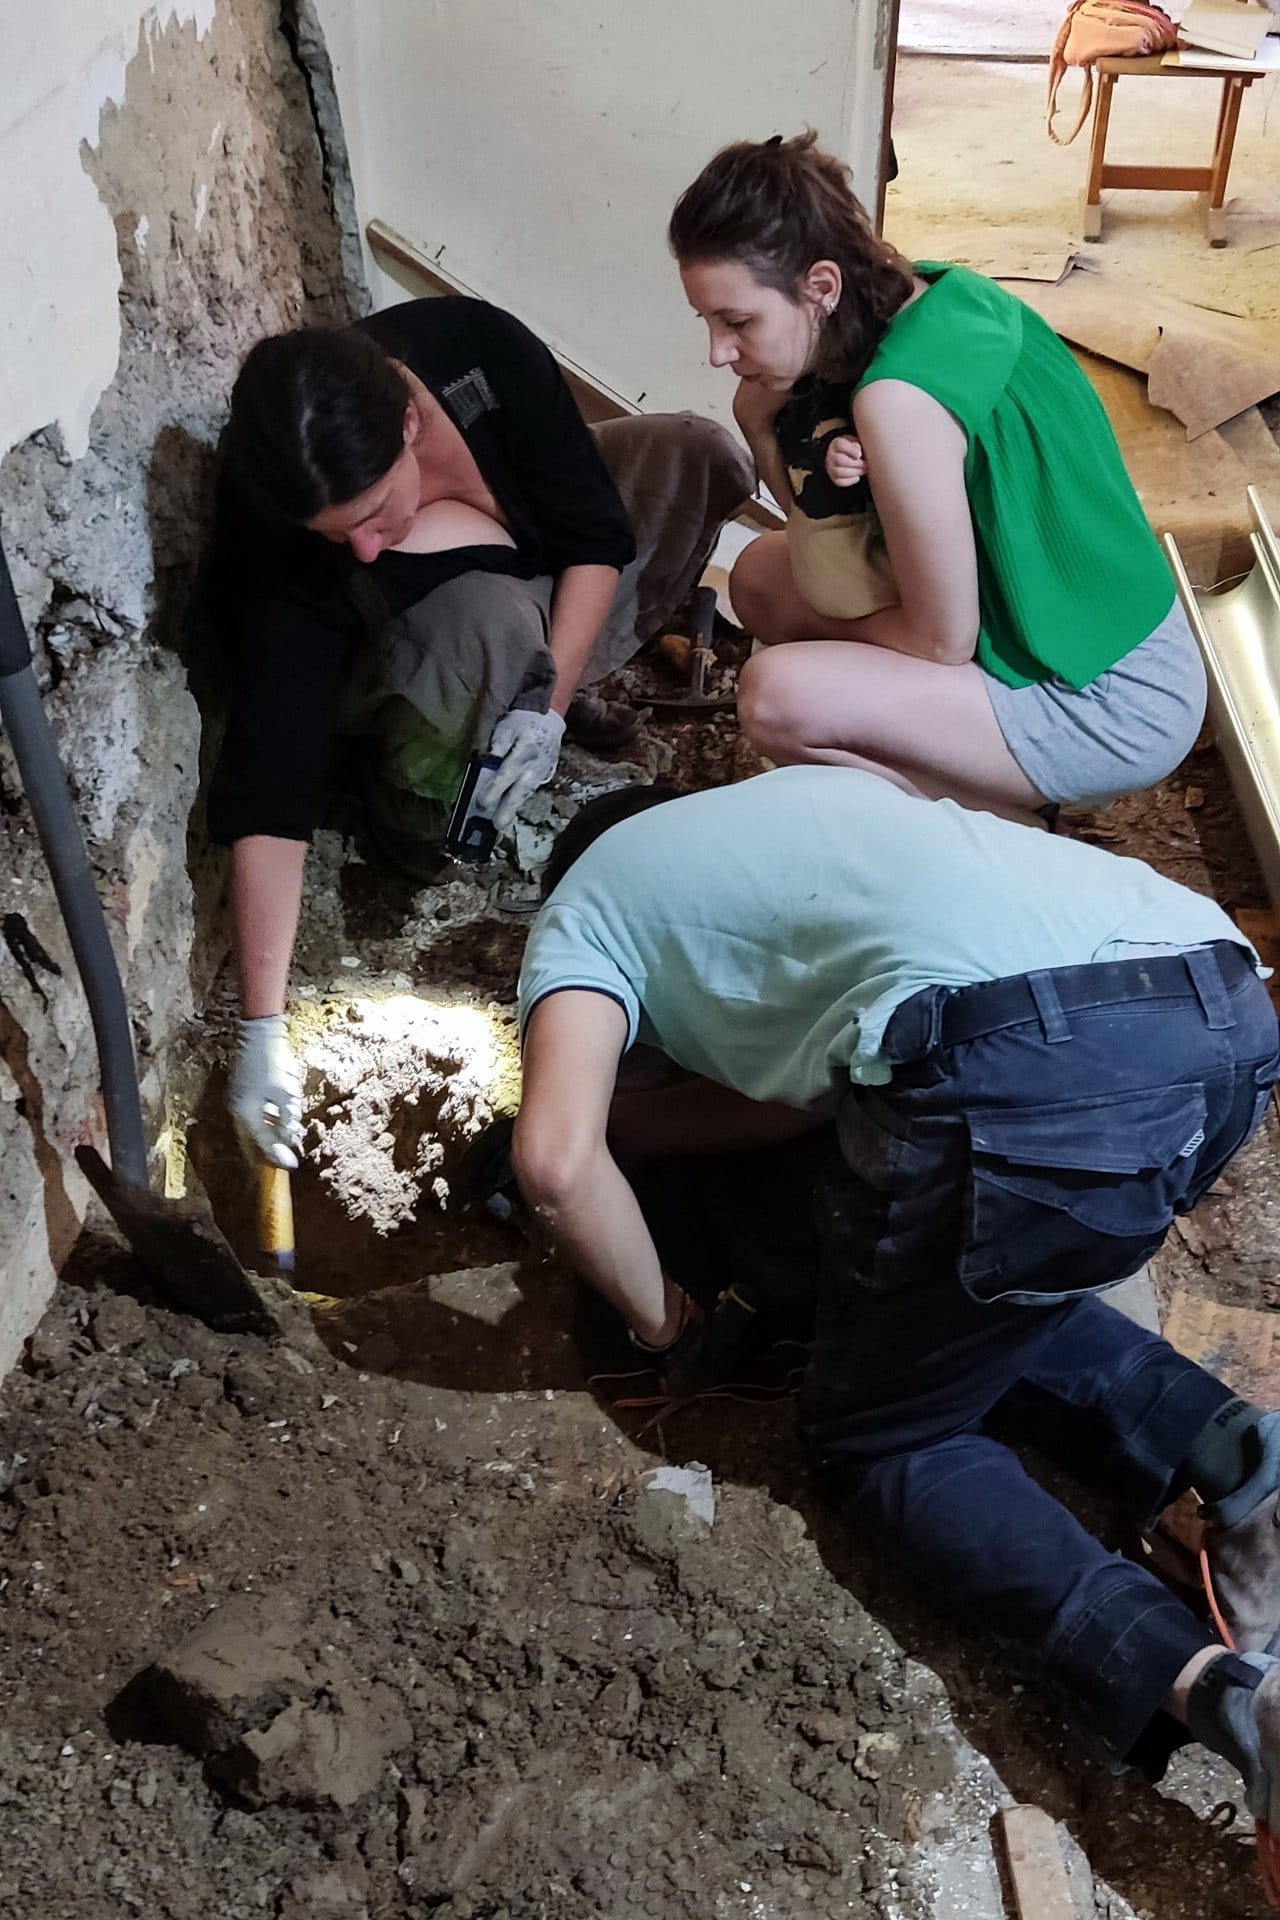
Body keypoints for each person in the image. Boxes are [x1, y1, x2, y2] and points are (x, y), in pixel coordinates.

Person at [510, 768, 1280, 1873]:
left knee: (881, 1439)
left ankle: (1212, 1690)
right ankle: (1242, 1461)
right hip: (1216, 1010)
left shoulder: (581, 911)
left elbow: (553, 1162)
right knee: (999, 1275)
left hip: (1021, 1070)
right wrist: (641, 1131)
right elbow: (784, 1102)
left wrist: (662, 1325)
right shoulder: (790, 811)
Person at [206, 295, 752, 1168]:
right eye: (337, 534)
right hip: (423, 637)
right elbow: (274, 769)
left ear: (410, 421)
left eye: (376, 511)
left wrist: (548, 710)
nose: (364, 547)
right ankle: (418, 807)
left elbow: (592, 533)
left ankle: (539, 686)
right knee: (489, 631)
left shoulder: (471, 350)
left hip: (527, 558)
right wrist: (262, 1027)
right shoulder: (285, 538)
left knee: (697, 452)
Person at [667, 133, 1207, 821]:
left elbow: (941, 643)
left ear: (822, 287)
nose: (718, 352)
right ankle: (957, 770)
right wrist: (759, 419)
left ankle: (1001, 825)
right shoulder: (931, 292)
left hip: (1107, 697)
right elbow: (818, 532)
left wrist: (832, 628)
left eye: (737, 321)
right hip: (1043, 618)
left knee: (776, 696)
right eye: (709, 322)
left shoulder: (897, 401)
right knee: (759, 578)